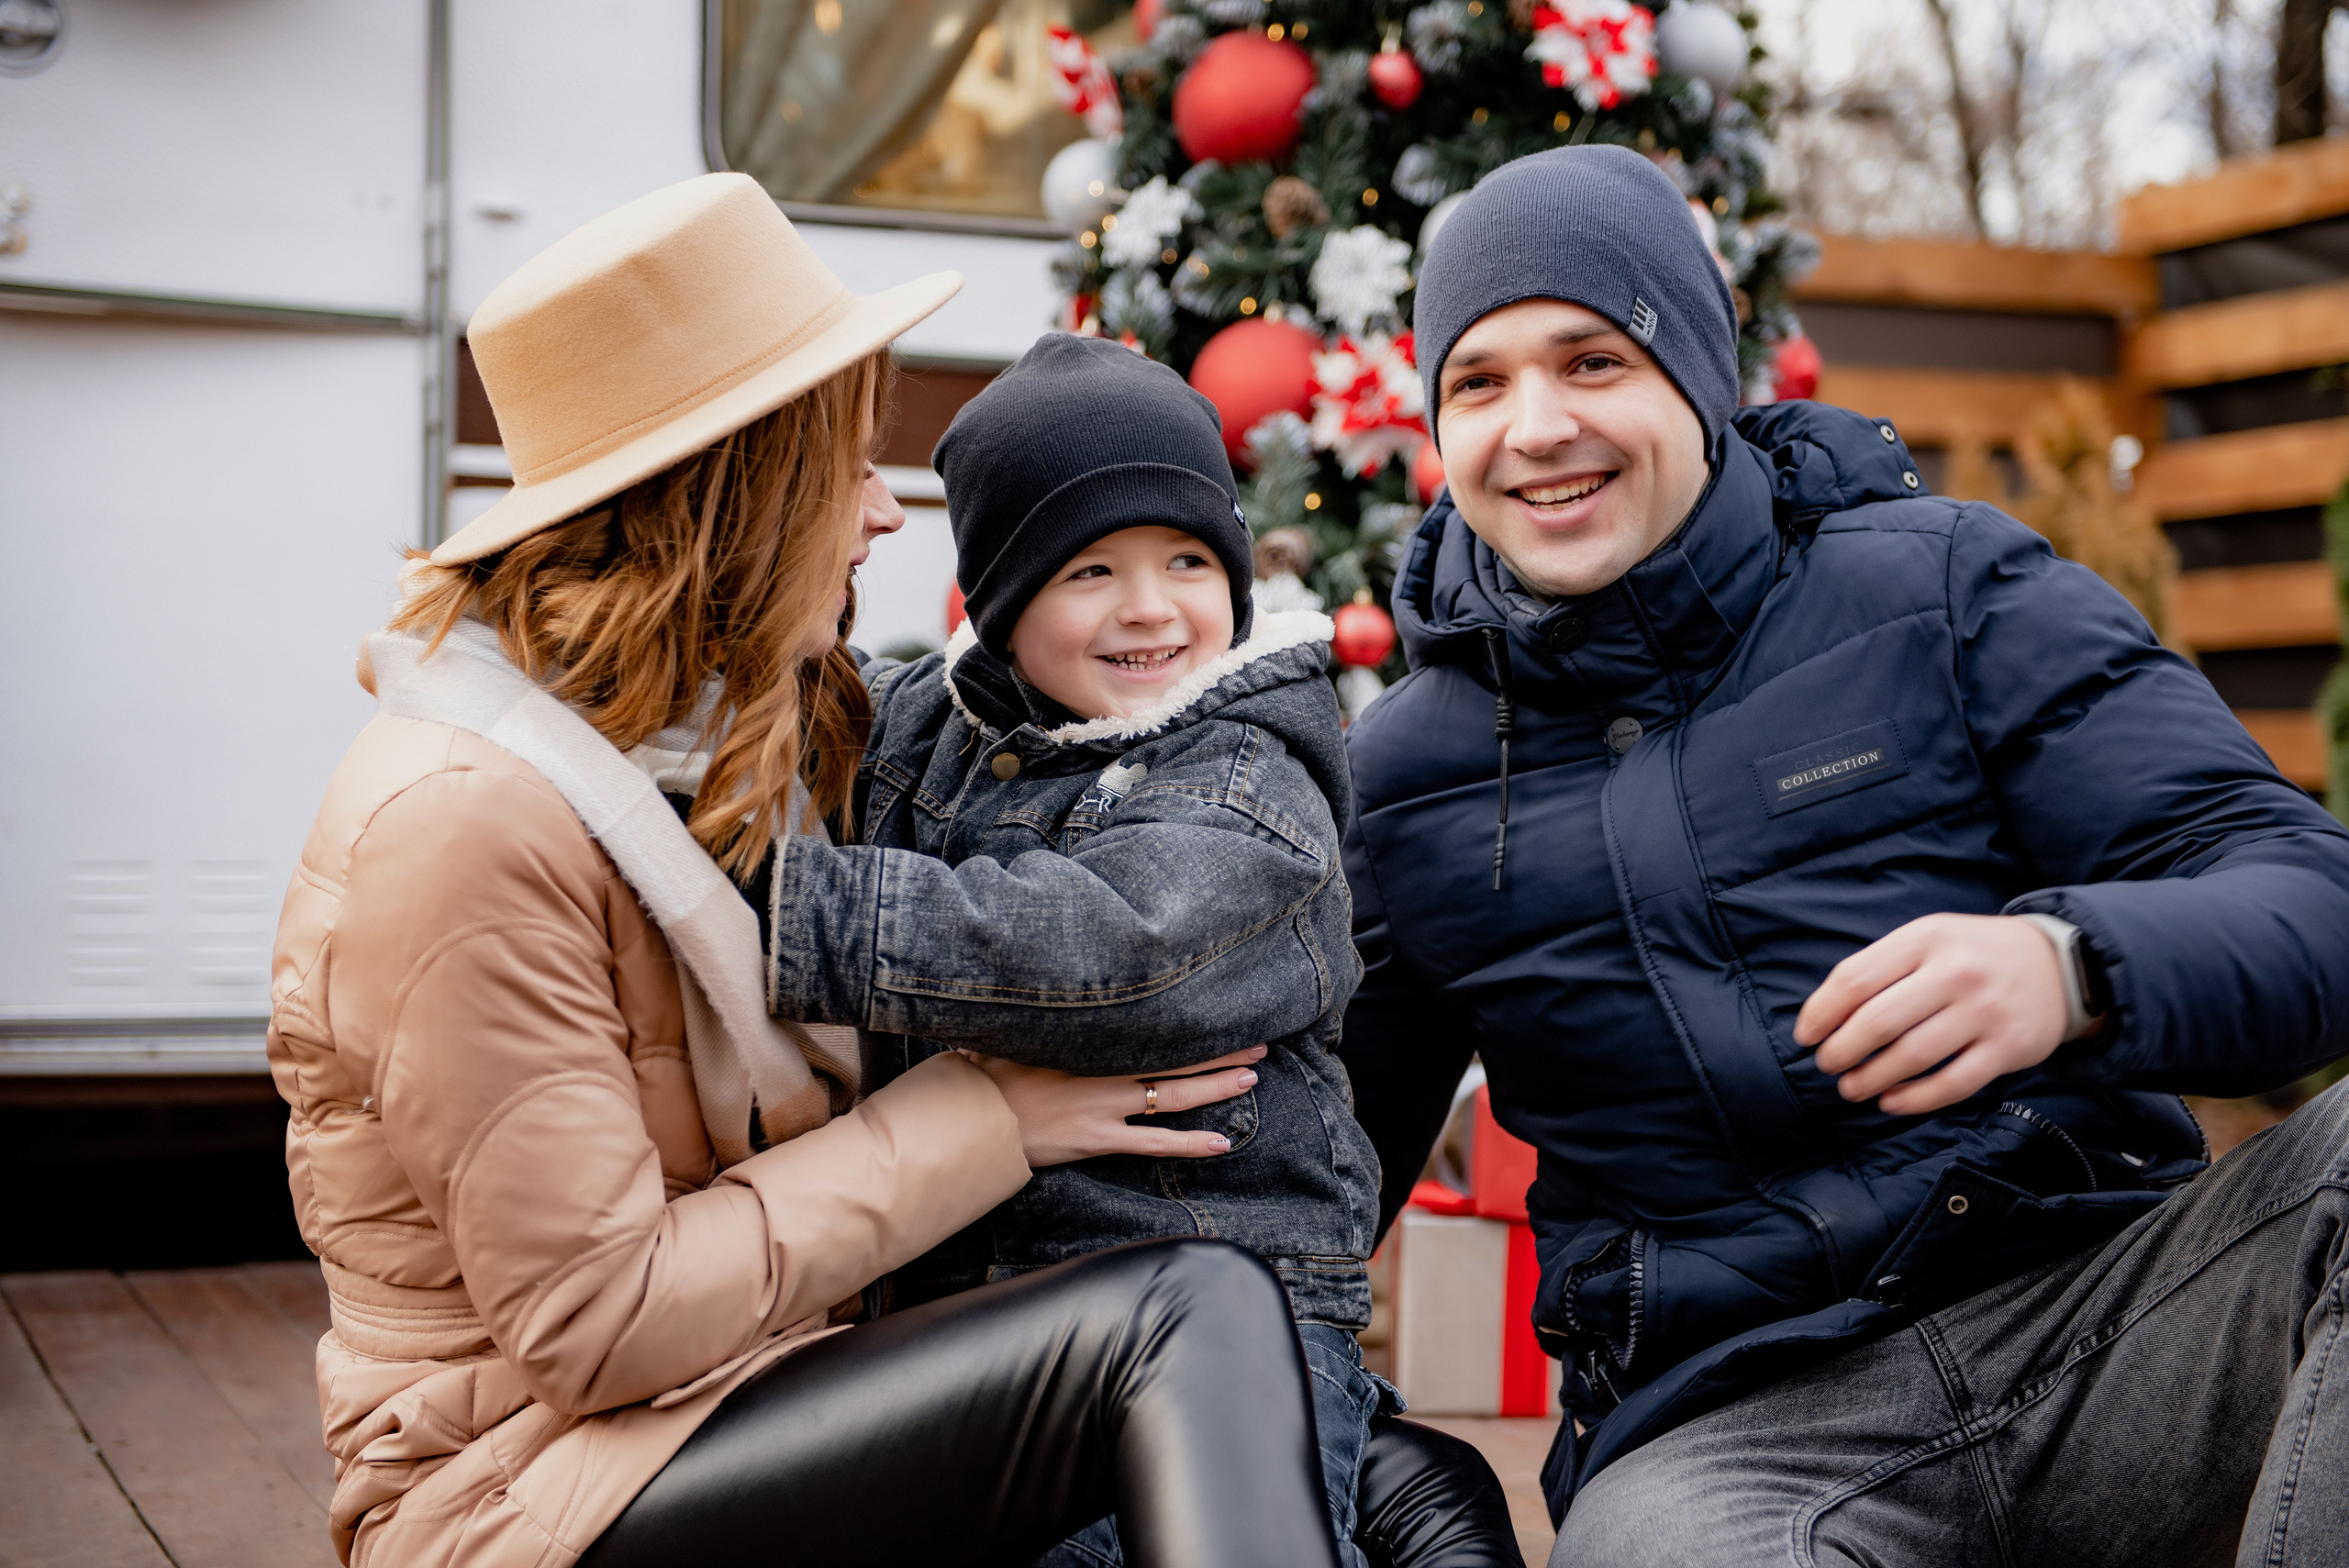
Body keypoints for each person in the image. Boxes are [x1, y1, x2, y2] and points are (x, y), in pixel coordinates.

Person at [267, 172, 1358, 1568]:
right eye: (847, 461)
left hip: (761, 1379)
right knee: (1190, 1323)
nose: (889, 514)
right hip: (531, 1480)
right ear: (735, 494)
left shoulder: (756, 722)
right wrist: (997, 1116)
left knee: (1410, 1478)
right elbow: (602, 1326)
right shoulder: (463, 822)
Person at [1339, 144, 2349, 1565]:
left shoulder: (1942, 588)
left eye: (1593, 360)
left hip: (2110, 1319)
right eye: (1479, 382)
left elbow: (2316, 897)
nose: (1537, 424)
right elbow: (1304, 1195)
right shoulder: (1404, 781)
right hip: (1733, 1441)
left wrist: (2073, 964)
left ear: (1697, 377)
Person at [760, 331, 1396, 1568]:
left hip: (1233, 1303)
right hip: (980, 1306)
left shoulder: (1247, 777)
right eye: (1090, 568)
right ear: (1001, 601)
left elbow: (1114, 948)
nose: (1151, 607)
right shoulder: (928, 726)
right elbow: (795, 712)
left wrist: (798, 913)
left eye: (1188, 560)